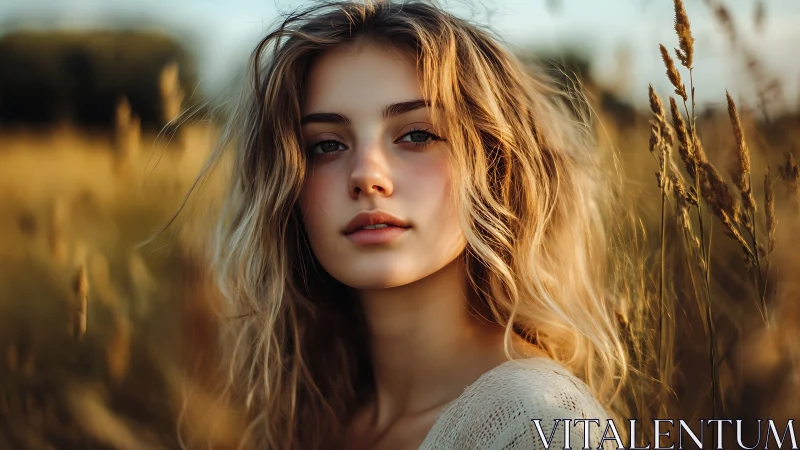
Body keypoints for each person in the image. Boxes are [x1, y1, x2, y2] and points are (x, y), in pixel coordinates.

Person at [197, 1, 631, 448]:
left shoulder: (539, 423)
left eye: (417, 135)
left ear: (496, 167)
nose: (367, 175)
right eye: (326, 145)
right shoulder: (311, 415)